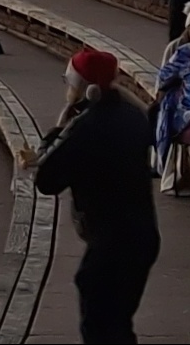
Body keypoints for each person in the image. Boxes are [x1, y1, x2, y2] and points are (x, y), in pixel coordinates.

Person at [40, 47, 161, 345]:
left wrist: (58, 129)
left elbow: (46, 179)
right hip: (142, 236)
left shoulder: (86, 127)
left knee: (99, 327)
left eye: (70, 82)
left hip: (111, 243)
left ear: (83, 88)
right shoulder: (132, 116)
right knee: (118, 325)